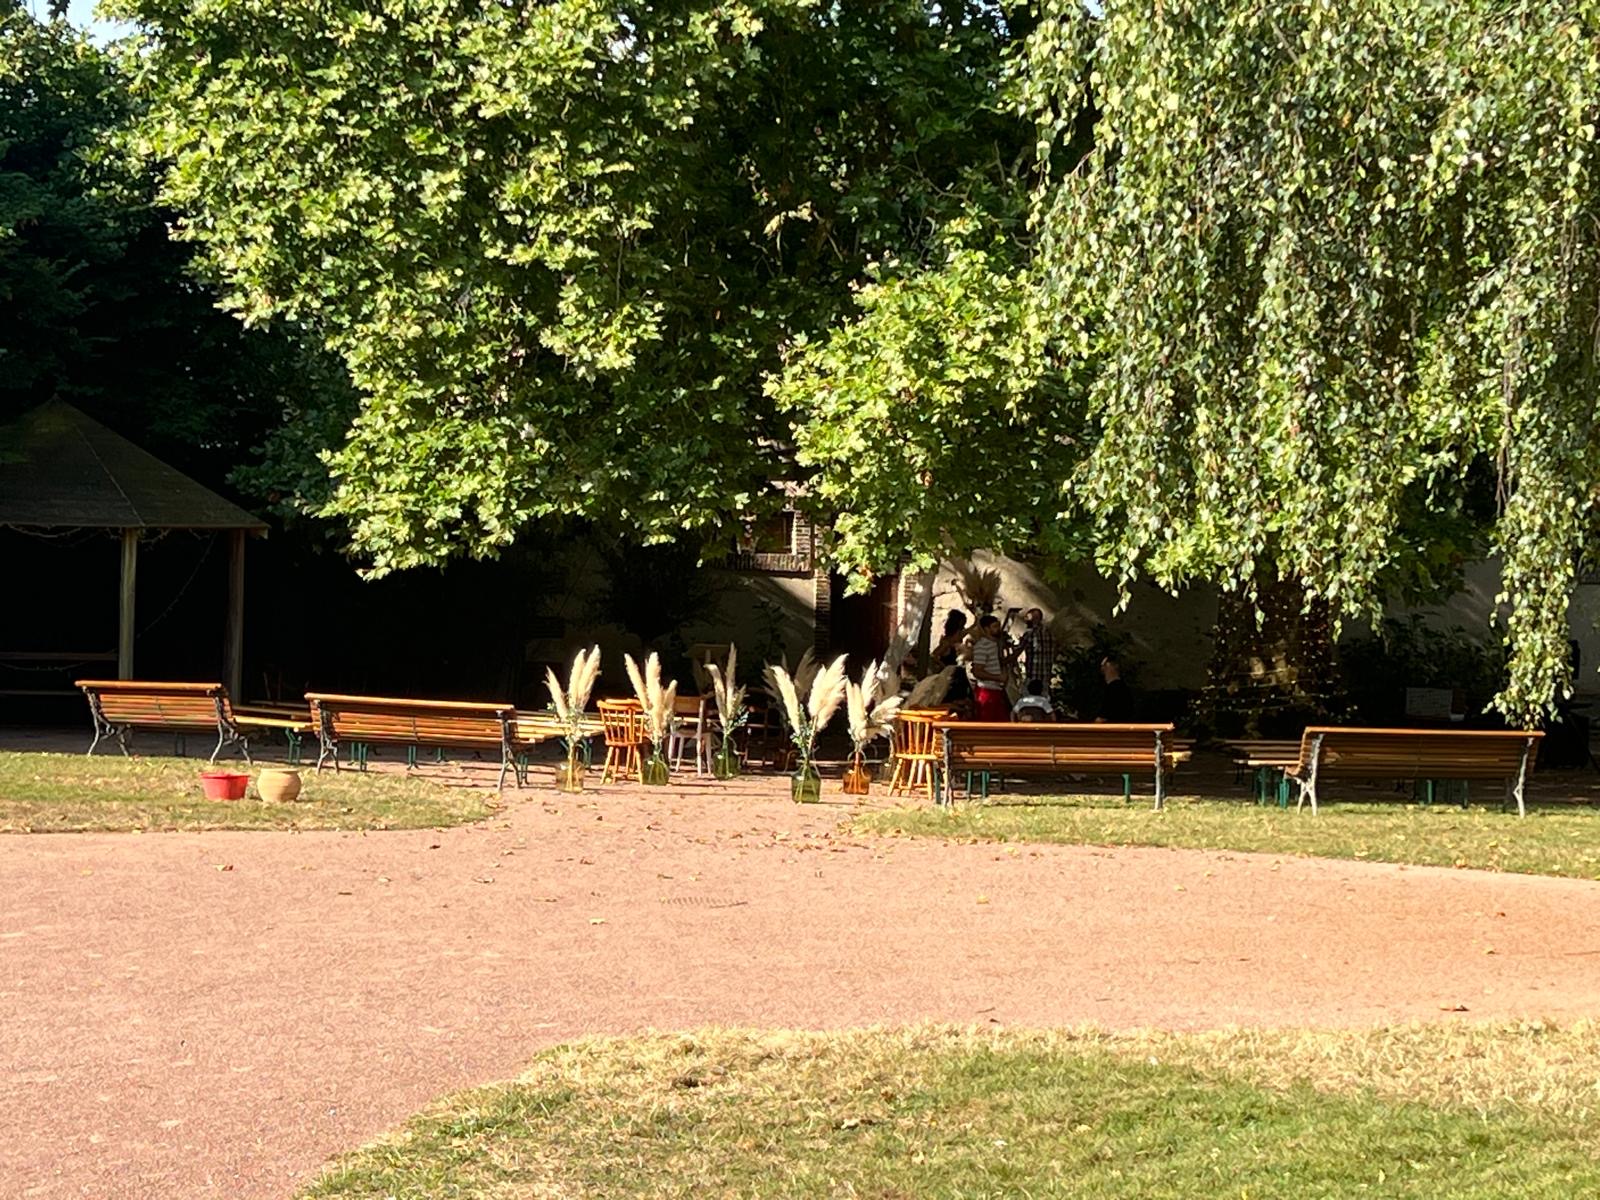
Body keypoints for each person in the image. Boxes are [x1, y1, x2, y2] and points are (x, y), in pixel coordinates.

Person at [969, 615, 1011, 721]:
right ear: (987, 629)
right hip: (987, 690)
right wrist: (998, 677)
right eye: (995, 626)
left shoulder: (996, 644)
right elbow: (978, 672)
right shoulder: (982, 646)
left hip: (998, 690)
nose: (998, 629)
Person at [1014, 608, 1058, 696]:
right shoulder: (1050, 634)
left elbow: (1018, 650)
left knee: (1028, 701)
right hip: (1045, 677)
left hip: (1033, 676)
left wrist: (1005, 660)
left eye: (1028, 617)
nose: (1025, 620)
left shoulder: (1030, 634)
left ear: (1034, 619)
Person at [932, 610, 971, 704]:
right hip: (950, 678)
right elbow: (934, 655)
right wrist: (945, 667)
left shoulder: (955, 641)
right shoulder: (947, 643)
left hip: (958, 675)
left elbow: (969, 630)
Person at [1099, 654, 1134, 723]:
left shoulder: (1114, 688)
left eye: (1105, 665)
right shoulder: (1122, 687)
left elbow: (1104, 716)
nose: (1102, 668)